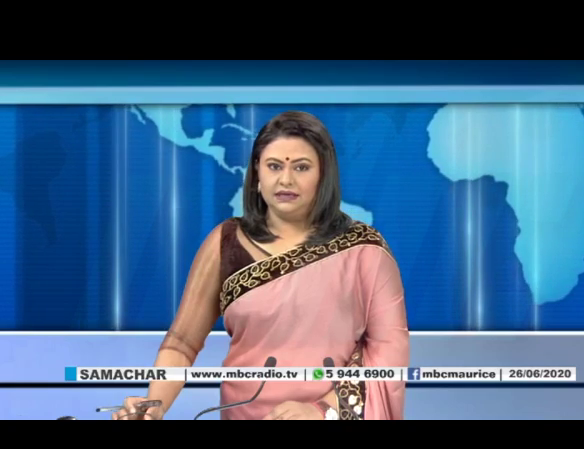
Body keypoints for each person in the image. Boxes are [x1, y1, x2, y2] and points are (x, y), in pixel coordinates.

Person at [113, 110, 409, 420]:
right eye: (274, 166)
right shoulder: (226, 243)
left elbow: (389, 352)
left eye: (301, 167)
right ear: (257, 174)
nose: (286, 179)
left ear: (324, 175)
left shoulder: (363, 248)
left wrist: (323, 411)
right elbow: (181, 344)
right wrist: (154, 405)